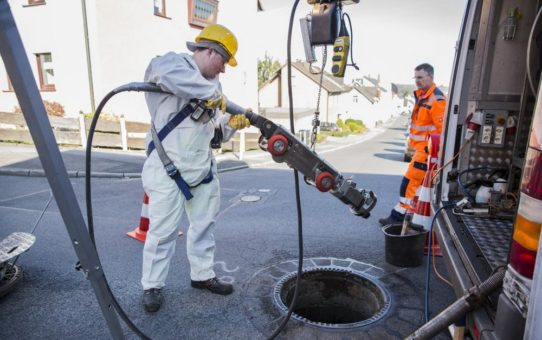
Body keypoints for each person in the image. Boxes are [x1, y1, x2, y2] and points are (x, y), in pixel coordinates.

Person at [140, 24, 251, 313]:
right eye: (224, 62)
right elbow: (170, 77)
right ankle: (152, 285)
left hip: (202, 169)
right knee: (162, 233)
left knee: (203, 227)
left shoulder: (215, 87)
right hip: (168, 170)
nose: (224, 70)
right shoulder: (169, 63)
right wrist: (215, 97)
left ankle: (202, 275)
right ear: (212, 51)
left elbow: (211, 133)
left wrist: (230, 126)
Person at [379, 63, 446, 226]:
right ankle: (409, 217)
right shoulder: (424, 96)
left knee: (408, 184)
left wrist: (427, 149)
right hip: (420, 150)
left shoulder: (436, 100)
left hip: (425, 151)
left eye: (420, 77)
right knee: (416, 188)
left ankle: (399, 216)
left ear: (431, 77)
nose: (417, 81)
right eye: (415, 78)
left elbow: (442, 131)